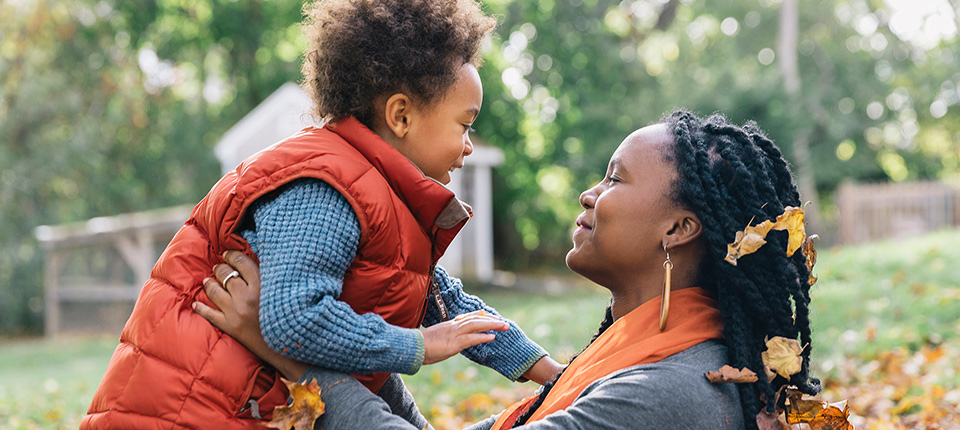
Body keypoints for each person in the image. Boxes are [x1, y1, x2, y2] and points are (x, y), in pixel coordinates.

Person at [82, 1, 561, 428]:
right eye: (465, 124)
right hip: (188, 407)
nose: (469, 145)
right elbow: (293, 317)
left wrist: (551, 372)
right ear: (401, 116)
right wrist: (420, 346)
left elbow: (447, 306)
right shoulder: (327, 186)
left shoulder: (380, 194)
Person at [196, 110, 823, 430]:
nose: (589, 193)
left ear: (680, 229)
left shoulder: (670, 389)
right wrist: (358, 350)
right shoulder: (642, 356)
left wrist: (294, 357)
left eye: (615, 178)